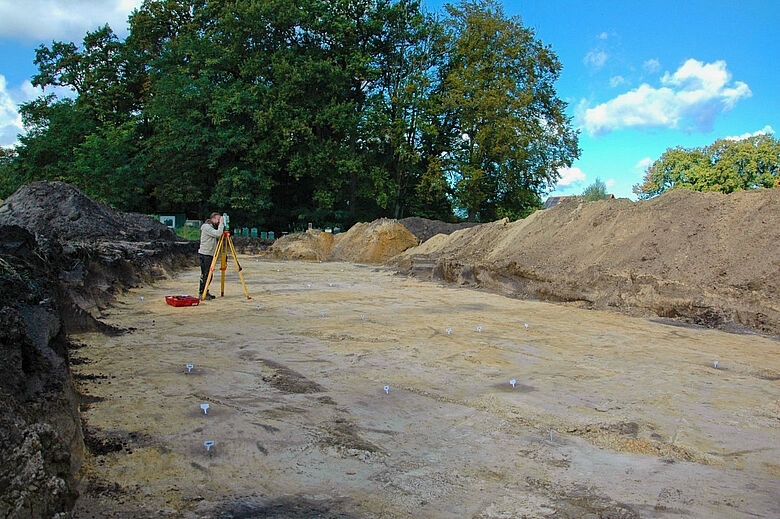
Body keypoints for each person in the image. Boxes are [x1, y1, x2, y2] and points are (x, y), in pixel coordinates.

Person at [198, 212, 224, 300]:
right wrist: (221, 224)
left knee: (208, 274)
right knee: (206, 274)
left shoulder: (211, 227)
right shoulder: (207, 227)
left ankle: (205, 291)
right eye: (218, 219)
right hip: (205, 254)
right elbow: (218, 234)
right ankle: (202, 293)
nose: (218, 221)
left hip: (208, 254)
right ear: (212, 219)